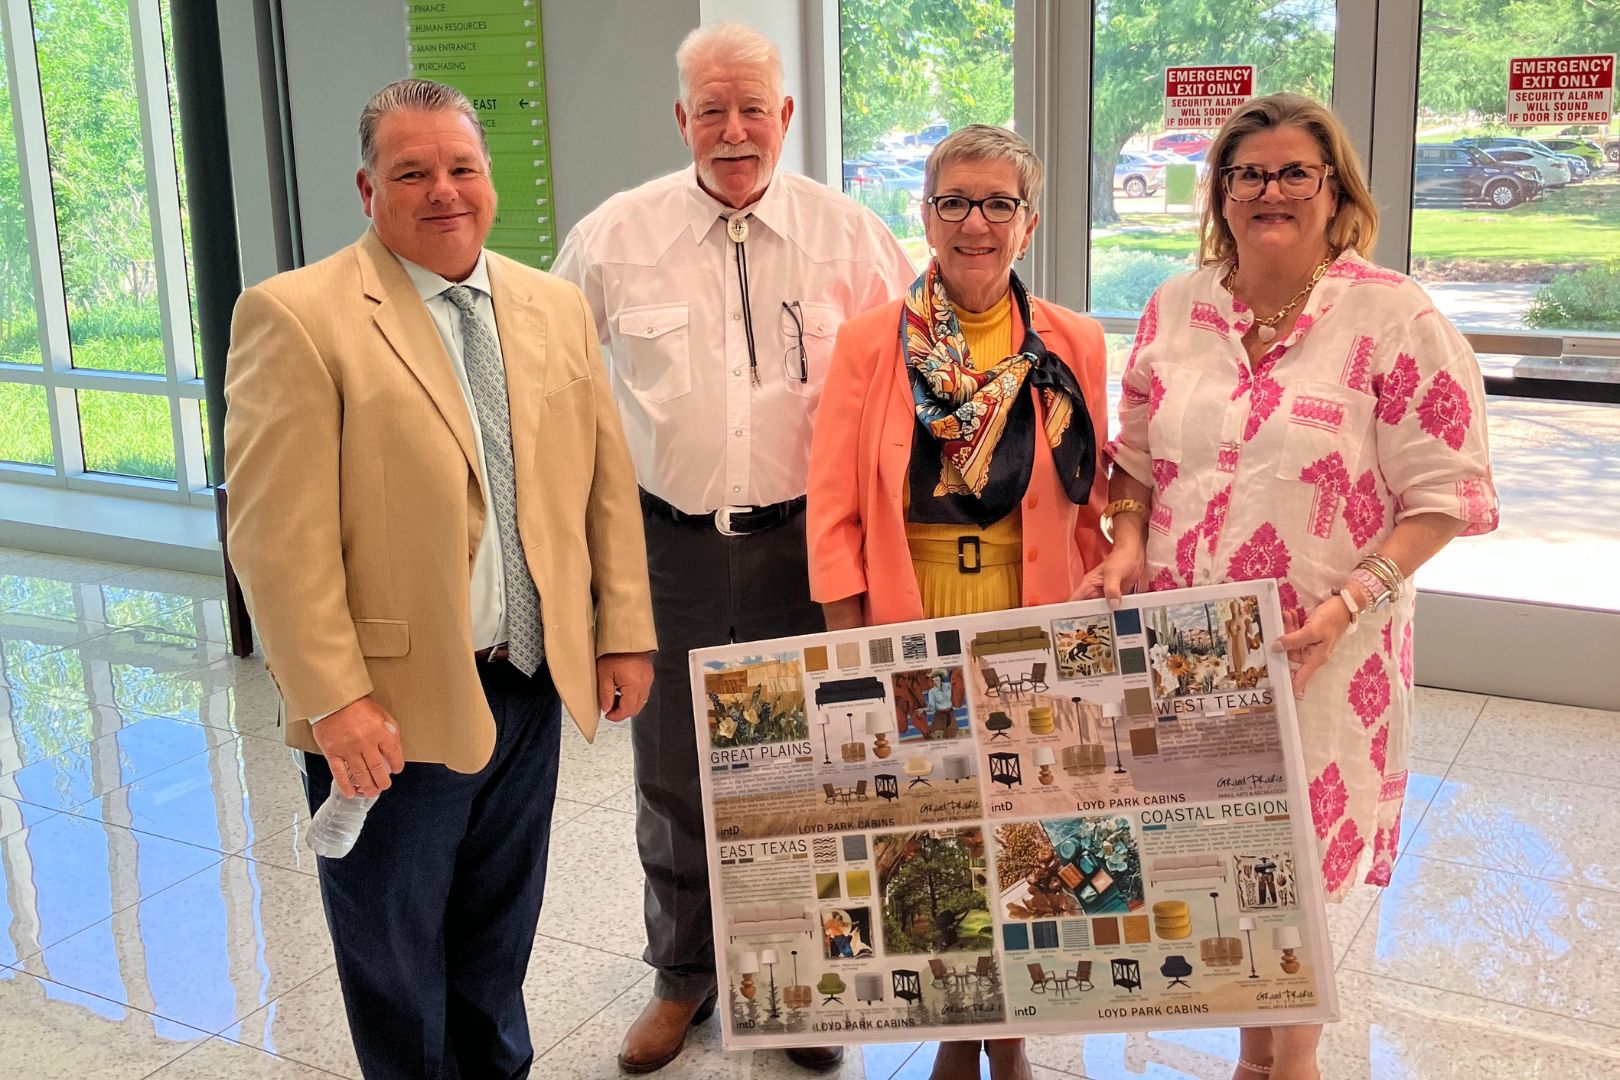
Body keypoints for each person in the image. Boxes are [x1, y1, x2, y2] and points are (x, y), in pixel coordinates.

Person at [223, 79, 656, 1080]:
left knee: (497, 939)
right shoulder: (295, 317)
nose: (443, 190)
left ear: (488, 179)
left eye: (462, 167)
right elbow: (274, 540)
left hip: (529, 682)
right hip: (389, 710)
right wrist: (335, 702)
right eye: (413, 171)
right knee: (397, 956)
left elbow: (602, 483)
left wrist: (623, 627)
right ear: (369, 188)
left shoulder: (549, 305)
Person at [1082, 93, 1498, 1080]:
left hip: (1325, 647)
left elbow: (1445, 495)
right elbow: (1134, 457)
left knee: (1296, 866)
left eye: (1293, 173)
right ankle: (1250, 1060)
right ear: (1220, 193)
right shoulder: (1175, 306)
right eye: (1248, 174)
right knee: (1220, 857)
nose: (1270, 191)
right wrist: (1128, 539)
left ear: (1333, 190)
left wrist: (1352, 604)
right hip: (1186, 645)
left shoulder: (1396, 316)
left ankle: (1290, 1064)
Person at [552, 21, 913, 1075]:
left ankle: (797, 985)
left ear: (787, 116)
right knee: (672, 777)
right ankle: (685, 978)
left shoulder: (851, 238)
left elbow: (906, 391)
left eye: (753, 106)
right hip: (664, 549)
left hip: (809, 549)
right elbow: (557, 390)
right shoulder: (615, 237)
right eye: (711, 108)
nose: (734, 128)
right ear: (681, 120)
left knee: (804, 773)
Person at [808, 124, 1111, 1080]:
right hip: (913, 605)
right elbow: (833, 501)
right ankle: (952, 1025)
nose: (973, 222)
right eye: (953, 202)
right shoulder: (873, 342)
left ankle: (1010, 1030)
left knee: (1022, 825)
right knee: (932, 830)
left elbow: (1093, 490)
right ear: (926, 214)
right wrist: (844, 631)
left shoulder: (1074, 342)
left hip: (1029, 614)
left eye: (997, 203)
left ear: (1028, 222)